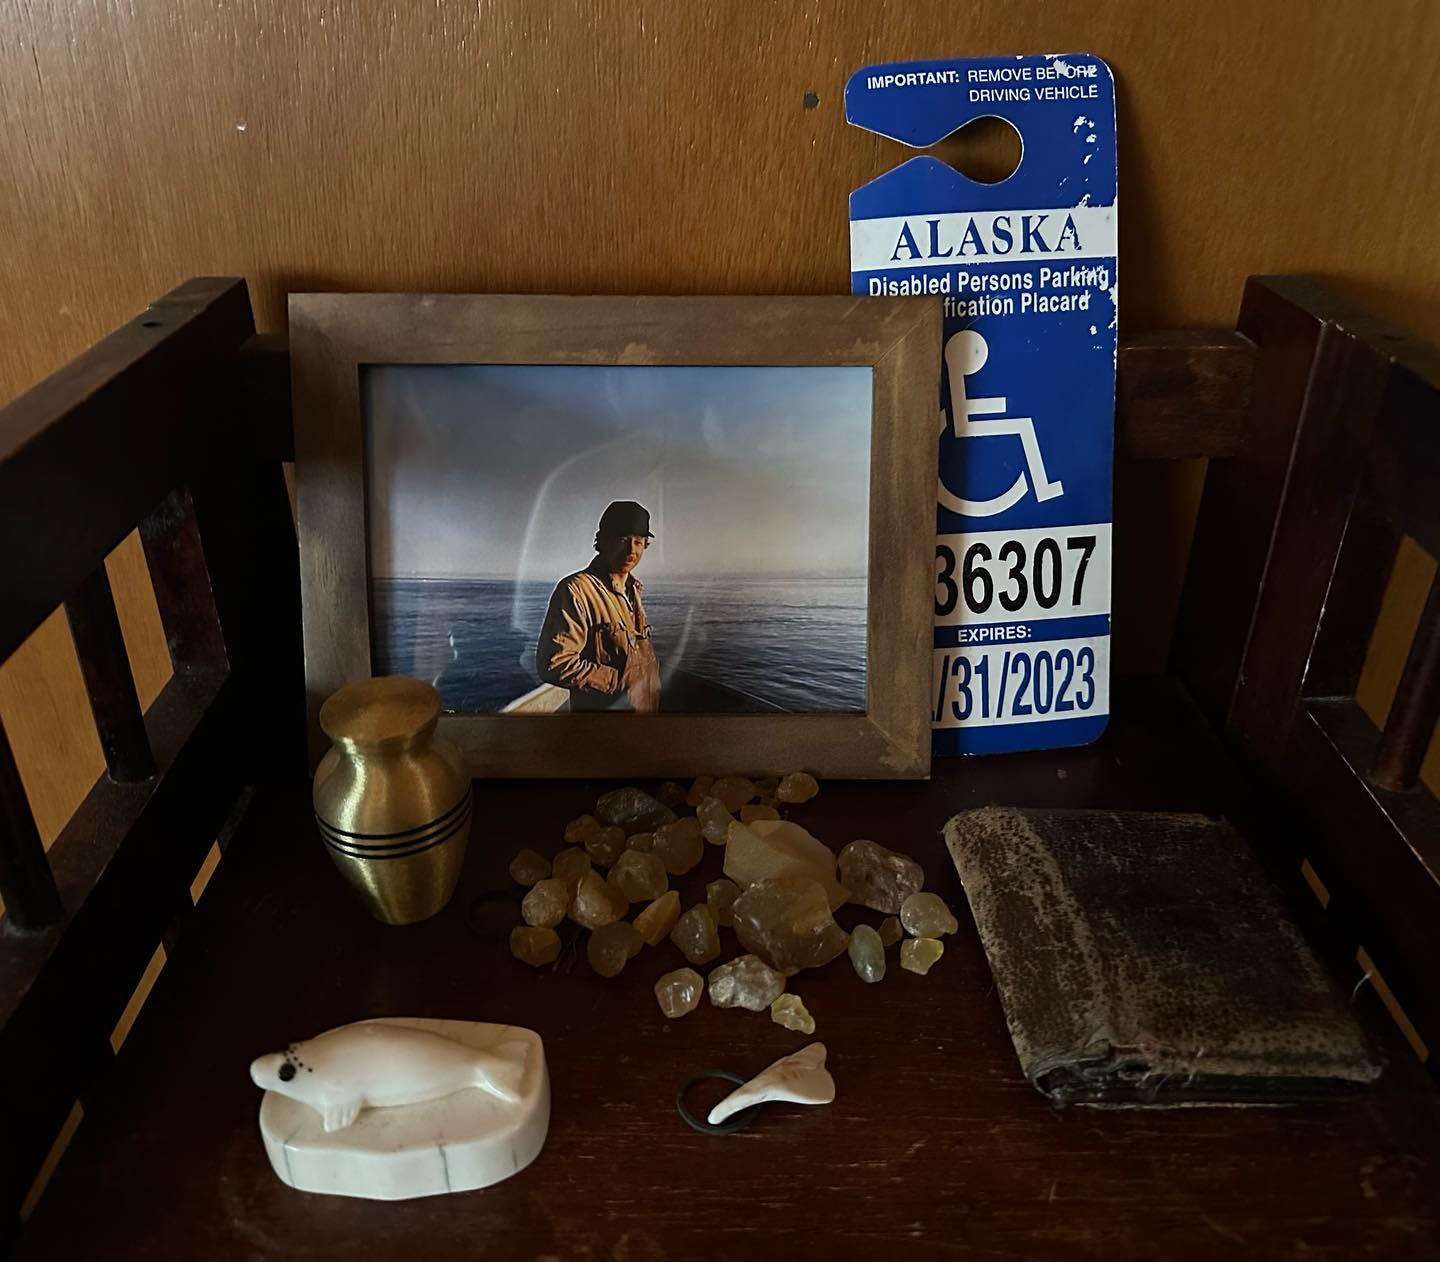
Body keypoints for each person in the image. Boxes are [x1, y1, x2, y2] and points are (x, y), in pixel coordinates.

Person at [535, 501, 661, 712]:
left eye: (639, 542)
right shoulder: (576, 590)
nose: (632, 550)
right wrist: (621, 681)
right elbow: (554, 664)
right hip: (603, 725)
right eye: (623, 540)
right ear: (603, 540)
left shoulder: (633, 589)